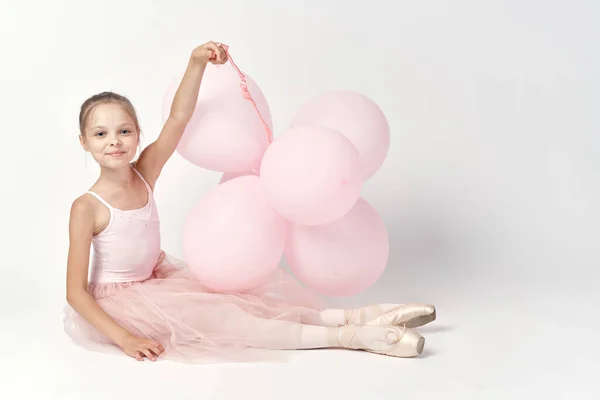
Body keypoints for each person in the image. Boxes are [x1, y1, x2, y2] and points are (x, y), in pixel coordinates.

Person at [63, 41, 437, 364]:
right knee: (229, 322)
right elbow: (76, 292)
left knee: (239, 300)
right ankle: (350, 337)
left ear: (137, 134)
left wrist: (196, 64)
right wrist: (125, 338)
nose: (114, 141)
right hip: (122, 304)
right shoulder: (87, 207)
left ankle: (356, 316)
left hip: (157, 281)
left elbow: (178, 119)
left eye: (124, 130)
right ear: (84, 141)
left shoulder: (146, 170)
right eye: (101, 133)